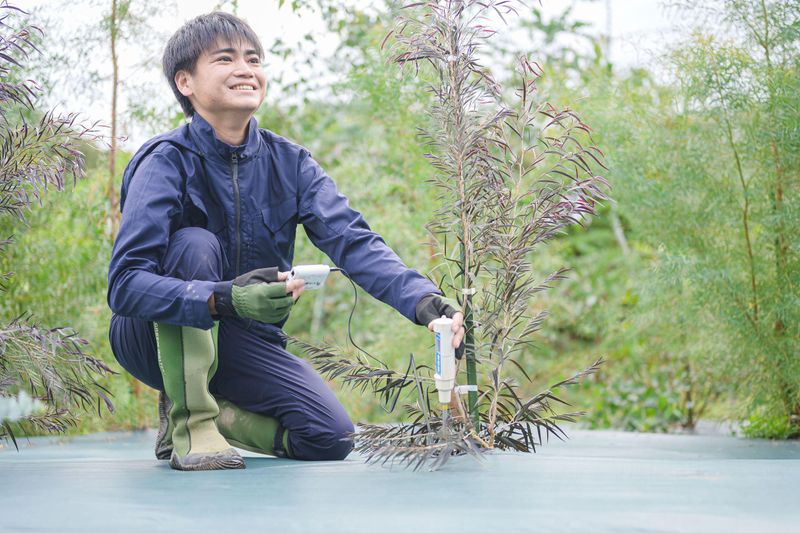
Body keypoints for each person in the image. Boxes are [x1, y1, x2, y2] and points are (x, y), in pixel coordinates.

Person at [107, 11, 465, 471]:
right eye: (225, 58)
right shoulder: (164, 161)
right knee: (193, 244)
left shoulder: (290, 163)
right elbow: (126, 285)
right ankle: (191, 424)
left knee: (328, 436)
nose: (245, 69)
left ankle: (202, 413)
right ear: (185, 82)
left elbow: (353, 241)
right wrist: (225, 298)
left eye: (253, 59)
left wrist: (424, 301)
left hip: (241, 339)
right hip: (150, 333)